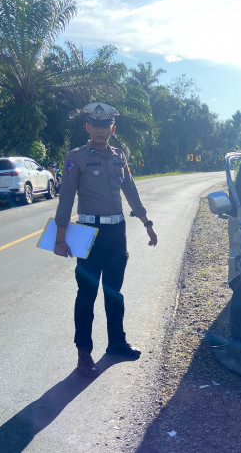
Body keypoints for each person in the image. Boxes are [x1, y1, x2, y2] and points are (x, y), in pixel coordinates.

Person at [53, 102, 158, 379]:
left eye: (105, 126)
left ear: (113, 128)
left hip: (116, 233)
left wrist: (147, 223)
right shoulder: (75, 157)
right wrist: (60, 238)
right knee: (86, 294)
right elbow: (65, 199)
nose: (100, 131)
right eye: (95, 125)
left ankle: (117, 343)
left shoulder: (119, 156)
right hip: (88, 233)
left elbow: (131, 191)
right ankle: (84, 355)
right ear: (87, 127)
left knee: (115, 292)